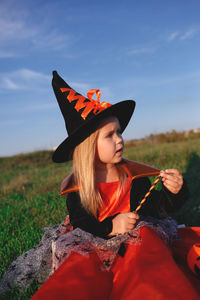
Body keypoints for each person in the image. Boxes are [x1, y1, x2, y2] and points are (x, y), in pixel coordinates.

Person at [31, 71, 200, 299]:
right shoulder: (79, 186)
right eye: (110, 135)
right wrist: (111, 227)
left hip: (135, 238)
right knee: (80, 268)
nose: (119, 139)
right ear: (89, 147)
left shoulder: (133, 175)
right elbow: (82, 221)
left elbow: (155, 209)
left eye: (119, 131)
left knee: (147, 249)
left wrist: (174, 193)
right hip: (94, 239)